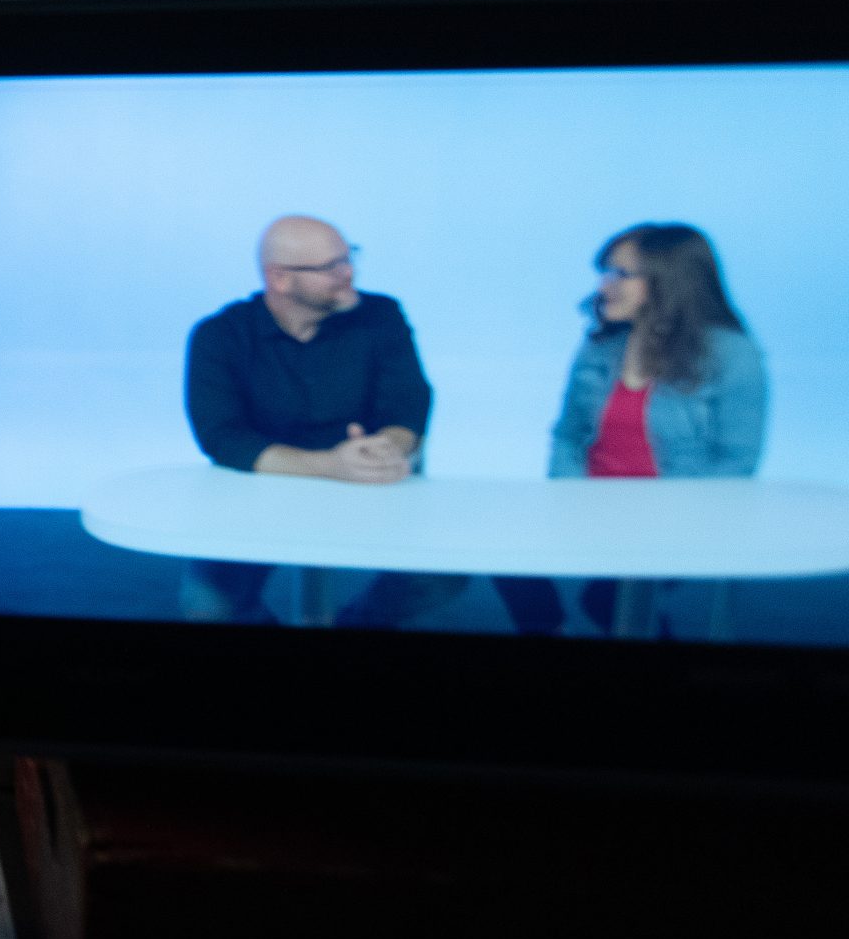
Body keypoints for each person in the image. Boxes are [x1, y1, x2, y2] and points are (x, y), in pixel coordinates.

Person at [180, 216, 466, 628]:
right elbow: (221, 435)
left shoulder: (381, 315)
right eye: (330, 267)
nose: (348, 273)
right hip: (263, 489)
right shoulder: (219, 336)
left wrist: (389, 447)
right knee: (208, 604)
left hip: (371, 484)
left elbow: (408, 402)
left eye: (348, 259)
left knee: (440, 578)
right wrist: (329, 466)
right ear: (279, 278)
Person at [495, 223, 768, 635]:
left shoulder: (732, 354)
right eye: (605, 273)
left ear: (668, 280)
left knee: (607, 602)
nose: (605, 285)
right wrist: (569, 497)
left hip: (675, 520)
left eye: (621, 274)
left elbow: (736, 463)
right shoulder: (602, 346)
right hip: (591, 508)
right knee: (501, 548)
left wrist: (669, 521)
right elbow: (568, 435)